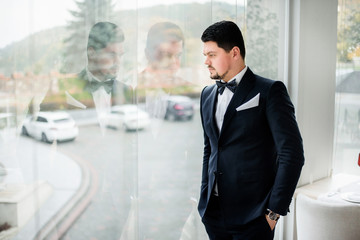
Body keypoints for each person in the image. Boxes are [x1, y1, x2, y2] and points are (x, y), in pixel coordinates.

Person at [198, 20, 304, 240]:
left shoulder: (270, 91)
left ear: (234, 52)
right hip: (214, 215)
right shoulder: (206, 95)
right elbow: (210, 150)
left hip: (254, 218)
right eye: (205, 55)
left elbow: (292, 154)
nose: (206, 62)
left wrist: (274, 213)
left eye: (212, 54)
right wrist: (204, 197)